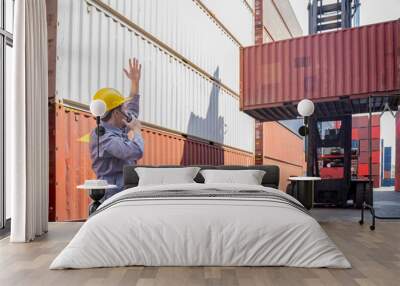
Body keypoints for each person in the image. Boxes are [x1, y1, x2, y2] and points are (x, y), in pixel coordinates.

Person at [89, 58, 144, 199]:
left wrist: (134, 82)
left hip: (122, 190)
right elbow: (135, 152)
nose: (127, 110)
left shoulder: (117, 126)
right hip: (111, 195)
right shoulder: (105, 137)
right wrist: (137, 130)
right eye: (123, 107)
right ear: (116, 113)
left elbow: (132, 109)